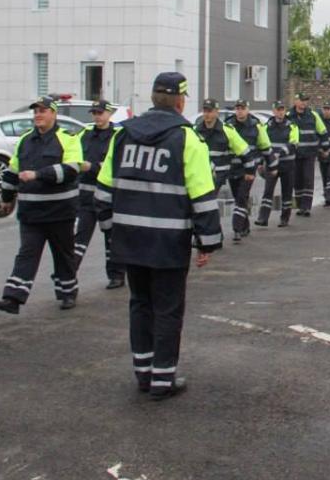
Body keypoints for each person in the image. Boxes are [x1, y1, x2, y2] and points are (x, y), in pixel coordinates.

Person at [95, 71, 221, 400]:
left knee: (140, 304)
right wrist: (207, 242)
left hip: (130, 240)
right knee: (167, 309)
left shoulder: (122, 136)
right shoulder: (187, 138)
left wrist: (111, 233)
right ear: (181, 101)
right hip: (168, 243)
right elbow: (203, 196)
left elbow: (103, 193)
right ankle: (163, 379)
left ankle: (143, 373)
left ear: (153, 98)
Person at [0, 95, 84, 314]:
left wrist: (38, 174)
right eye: (35, 112)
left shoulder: (67, 139)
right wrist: (6, 199)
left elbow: (72, 170)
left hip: (60, 213)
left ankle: (67, 292)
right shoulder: (25, 140)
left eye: (42, 111)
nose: (38, 115)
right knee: (27, 254)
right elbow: (12, 172)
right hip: (31, 214)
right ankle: (13, 298)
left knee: (63, 255)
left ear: (53, 114)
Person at [72, 100, 125, 289]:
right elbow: (74, 157)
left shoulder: (118, 136)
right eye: (94, 113)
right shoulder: (84, 134)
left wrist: (92, 167)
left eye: (100, 113)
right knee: (79, 239)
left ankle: (116, 275)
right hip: (86, 198)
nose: (97, 116)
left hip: (109, 197)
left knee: (112, 237)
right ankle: (68, 276)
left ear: (109, 114)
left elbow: (116, 165)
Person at [193, 98, 255, 237]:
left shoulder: (227, 131)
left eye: (210, 111)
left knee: (208, 201)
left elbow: (244, 151)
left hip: (220, 173)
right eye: (205, 111)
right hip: (202, 173)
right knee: (205, 203)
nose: (207, 114)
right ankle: (217, 234)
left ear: (216, 112)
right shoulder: (197, 130)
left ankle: (218, 234)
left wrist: (250, 171)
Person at [227, 99, 273, 239]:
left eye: (242, 108)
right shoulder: (229, 126)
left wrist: (271, 165)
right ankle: (245, 226)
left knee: (242, 196)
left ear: (248, 109)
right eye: (238, 108)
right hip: (233, 168)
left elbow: (265, 146)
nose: (240, 111)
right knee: (239, 197)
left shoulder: (256, 125)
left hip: (248, 169)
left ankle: (237, 228)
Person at [256, 101, 298, 227]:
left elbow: (294, 143)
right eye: (278, 110)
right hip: (271, 164)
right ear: (273, 111)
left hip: (287, 165)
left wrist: (279, 153)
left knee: (287, 192)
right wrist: (260, 162)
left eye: (282, 110)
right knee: (268, 191)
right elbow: (261, 144)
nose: (280, 112)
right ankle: (263, 218)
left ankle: (284, 218)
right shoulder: (266, 125)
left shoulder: (292, 125)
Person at [287, 93, 326, 217]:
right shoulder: (289, 116)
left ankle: (306, 206)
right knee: (297, 180)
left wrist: (325, 148)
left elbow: (322, 131)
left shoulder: (313, 115)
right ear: (295, 101)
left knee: (308, 179)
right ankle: (300, 205)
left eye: (306, 101)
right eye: (302, 100)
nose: (304, 103)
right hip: (295, 154)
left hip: (310, 153)